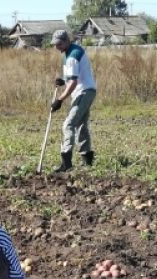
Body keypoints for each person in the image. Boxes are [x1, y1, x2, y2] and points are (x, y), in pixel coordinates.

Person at [49, 29, 96, 173]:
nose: (57, 47)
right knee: (81, 125)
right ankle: (87, 159)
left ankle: (66, 162)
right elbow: (75, 76)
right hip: (86, 90)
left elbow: (74, 82)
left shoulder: (71, 57)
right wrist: (64, 81)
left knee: (69, 124)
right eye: (55, 44)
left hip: (83, 91)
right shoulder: (73, 51)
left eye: (59, 44)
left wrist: (60, 100)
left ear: (67, 41)